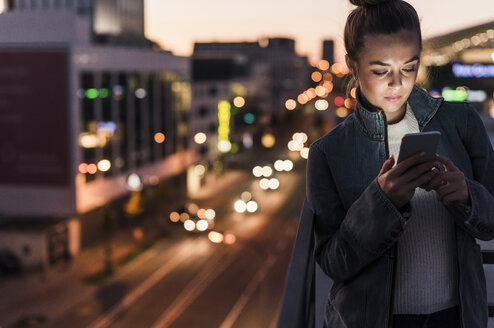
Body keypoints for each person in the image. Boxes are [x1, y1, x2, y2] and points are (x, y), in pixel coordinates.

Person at [306, 0, 494, 327]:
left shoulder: (461, 122)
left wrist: (467, 196)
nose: (397, 83)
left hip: (457, 318)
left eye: (409, 67)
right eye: (380, 70)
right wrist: (381, 203)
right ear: (352, 63)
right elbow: (333, 262)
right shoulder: (328, 153)